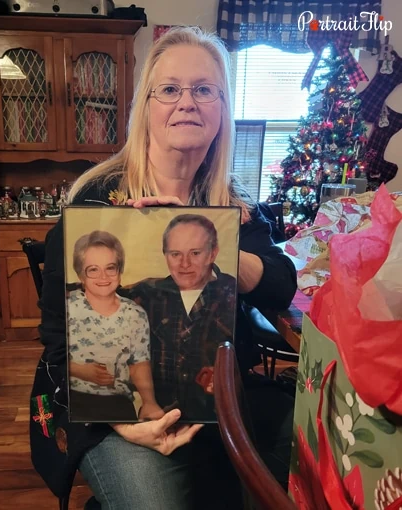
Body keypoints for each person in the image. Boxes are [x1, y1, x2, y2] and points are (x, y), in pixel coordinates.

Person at [30, 26, 297, 509]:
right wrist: (124, 420)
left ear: (222, 108)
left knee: (299, 451)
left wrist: (220, 244)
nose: (187, 102)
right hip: (108, 406)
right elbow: (58, 336)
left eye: (204, 90)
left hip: (211, 401)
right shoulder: (96, 199)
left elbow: (281, 284)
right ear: (146, 107)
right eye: (170, 89)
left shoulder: (232, 203)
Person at [123, 213, 237, 422]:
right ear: (165, 255)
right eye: (175, 254)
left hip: (215, 416)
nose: (185, 263)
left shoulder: (230, 293)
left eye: (195, 253)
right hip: (158, 412)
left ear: (213, 253)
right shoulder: (148, 293)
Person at [67, 230, 161, 422]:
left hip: (117, 401)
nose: (103, 277)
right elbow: (50, 360)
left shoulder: (135, 314)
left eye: (110, 268)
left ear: (120, 271)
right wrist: (81, 371)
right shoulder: (67, 307)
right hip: (73, 397)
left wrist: (149, 402)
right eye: (93, 269)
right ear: (80, 275)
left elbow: (139, 363)